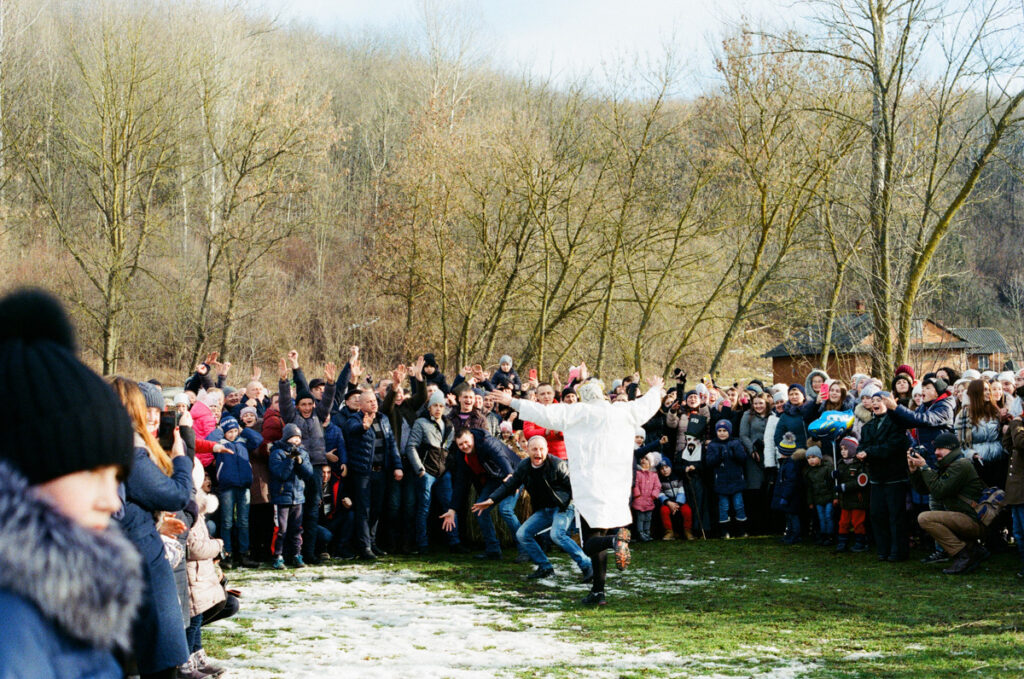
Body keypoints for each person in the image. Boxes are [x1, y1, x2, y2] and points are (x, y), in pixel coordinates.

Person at [0, 288, 142, 679]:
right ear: (21, 471)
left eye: (116, 477)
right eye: (92, 473)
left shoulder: (67, 595)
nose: (112, 501)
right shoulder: (12, 619)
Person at [491, 373, 665, 606]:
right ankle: (598, 591)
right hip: (617, 482)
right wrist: (655, 389)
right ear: (603, 395)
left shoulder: (576, 412)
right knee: (599, 535)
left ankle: (614, 544)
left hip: (589, 482)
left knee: (590, 541)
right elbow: (648, 405)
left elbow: (543, 413)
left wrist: (512, 401)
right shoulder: (622, 410)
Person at [471, 436, 592, 581]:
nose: (538, 453)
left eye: (541, 449)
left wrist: (580, 504)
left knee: (557, 535)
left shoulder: (558, 465)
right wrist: (491, 500)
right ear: (527, 450)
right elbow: (510, 484)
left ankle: (587, 565)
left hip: (563, 507)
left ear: (547, 450)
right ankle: (545, 567)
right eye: (534, 449)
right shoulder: (524, 466)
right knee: (522, 534)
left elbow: (574, 487)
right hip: (544, 509)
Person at [277, 354, 337, 565]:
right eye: (303, 404)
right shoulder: (291, 417)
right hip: (297, 469)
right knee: (295, 514)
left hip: (317, 467)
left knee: (312, 511)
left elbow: (328, 401)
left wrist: (330, 384)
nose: (307, 407)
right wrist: (284, 381)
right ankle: (291, 553)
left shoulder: (318, 416)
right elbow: (284, 402)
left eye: (310, 404)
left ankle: (309, 552)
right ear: (298, 405)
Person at [441, 428, 521, 561]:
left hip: (514, 474)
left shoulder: (487, 442)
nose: (464, 446)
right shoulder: (462, 456)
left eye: (466, 442)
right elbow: (461, 482)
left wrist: (511, 476)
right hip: (494, 479)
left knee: (505, 509)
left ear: (472, 437)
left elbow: (501, 458)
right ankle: (493, 550)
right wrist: (452, 509)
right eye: (460, 444)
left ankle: (525, 549)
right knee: (480, 510)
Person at [910, 433, 985, 574]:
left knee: (925, 518)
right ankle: (973, 549)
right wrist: (914, 471)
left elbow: (939, 491)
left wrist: (925, 467)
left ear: (951, 449)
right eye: (935, 448)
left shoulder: (961, 465)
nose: (936, 452)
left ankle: (963, 556)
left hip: (972, 520)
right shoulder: (948, 465)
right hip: (965, 518)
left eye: (940, 448)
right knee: (931, 518)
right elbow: (925, 490)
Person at [343, 387, 403, 560]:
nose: (373, 404)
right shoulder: (353, 419)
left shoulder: (383, 419)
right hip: (362, 473)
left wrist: (397, 466)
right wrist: (364, 427)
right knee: (364, 510)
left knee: (376, 509)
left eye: (375, 401)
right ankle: (364, 546)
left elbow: (391, 444)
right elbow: (353, 430)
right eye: (369, 402)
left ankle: (372, 542)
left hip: (381, 471)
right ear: (360, 404)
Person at [405, 390, 462, 554]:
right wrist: (420, 470)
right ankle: (422, 544)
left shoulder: (448, 424)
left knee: (449, 506)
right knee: (424, 508)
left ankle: (454, 541)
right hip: (427, 471)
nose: (438, 409)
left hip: (443, 472)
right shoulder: (421, 423)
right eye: (435, 406)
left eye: (441, 406)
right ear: (429, 407)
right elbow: (411, 446)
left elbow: (449, 449)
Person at [859, 391, 911, 562]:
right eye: (873, 400)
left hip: (894, 476)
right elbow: (862, 446)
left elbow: (892, 446)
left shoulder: (897, 424)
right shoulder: (867, 427)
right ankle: (883, 550)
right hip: (876, 477)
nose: (875, 403)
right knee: (877, 514)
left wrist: (868, 452)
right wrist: (862, 452)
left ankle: (898, 552)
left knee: (896, 515)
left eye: (879, 400)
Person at [269, 424, 316, 568]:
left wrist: (300, 462)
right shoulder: (277, 453)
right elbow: (281, 474)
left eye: (298, 439)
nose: (296, 442)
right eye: (293, 438)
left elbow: (308, 473)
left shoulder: (303, 453)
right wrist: (290, 459)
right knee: (281, 529)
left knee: (296, 529)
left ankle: (296, 555)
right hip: (281, 496)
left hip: (298, 497)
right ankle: (278, 556)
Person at [705, 419, 748, 538]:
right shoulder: (713, 445)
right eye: (719, 430)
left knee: (739, 505)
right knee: (724, 506)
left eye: (725, 430)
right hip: (721, 481)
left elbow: (743, 459)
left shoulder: (736, 443)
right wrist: (719, 455)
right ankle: (724, 531)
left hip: (736, 479)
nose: (722, 433)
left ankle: (741, 530)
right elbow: (709, 462)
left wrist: (734, 452)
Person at [834, 436, 869, 553]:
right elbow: (839, 480)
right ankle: (842, 542)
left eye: (846, 448)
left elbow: (861, 482)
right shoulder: (840, 464)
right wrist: (834, 476)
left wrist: (843, 487)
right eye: (841, 449)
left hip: (857, 500)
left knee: (857, 522)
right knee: (843, 522)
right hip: (845, 500)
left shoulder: (860, 464)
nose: (843, 451)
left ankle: (861, 542)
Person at [656, 461, 694, 540]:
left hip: (679, 502)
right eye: (662, 468)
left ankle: (688, 531)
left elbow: (681, 491)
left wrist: (677, 504)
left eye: (667, 467)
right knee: (664, 511)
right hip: (668, 502)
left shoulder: (677, 477)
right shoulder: (659, 480)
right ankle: (669, 532)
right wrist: (668, 502)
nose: (665, 470)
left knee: (687, 510)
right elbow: (660, 493)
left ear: (671, 467)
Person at [631, 453, 662, 542]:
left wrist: (654, 495)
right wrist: (637, 494)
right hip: (639, 500)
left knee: (648, 518)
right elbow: (635, 484)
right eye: (642, 458)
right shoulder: (637, 472)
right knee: (640, 518)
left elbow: (657, 486)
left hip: (649, 500)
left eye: (646, 459)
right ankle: (640, 533)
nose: (643, 460)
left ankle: (647, 532)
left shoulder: (654, 475)